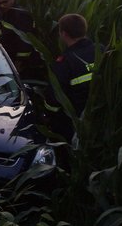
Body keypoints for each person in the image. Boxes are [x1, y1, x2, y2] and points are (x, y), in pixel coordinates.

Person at [43, 13, 100, 141]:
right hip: (100, 118)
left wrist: (48, 116)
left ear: (63, 34)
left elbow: (53, 98)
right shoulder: (101, 50)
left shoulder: (65, 62)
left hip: (72, 122)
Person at [0, 0, 41, 79]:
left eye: (5, 2)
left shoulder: (21, 15)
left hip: (24, 64)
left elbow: (26, 43)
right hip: (9, 59)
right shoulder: (4, 13)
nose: (2, 5)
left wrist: (19, 62)